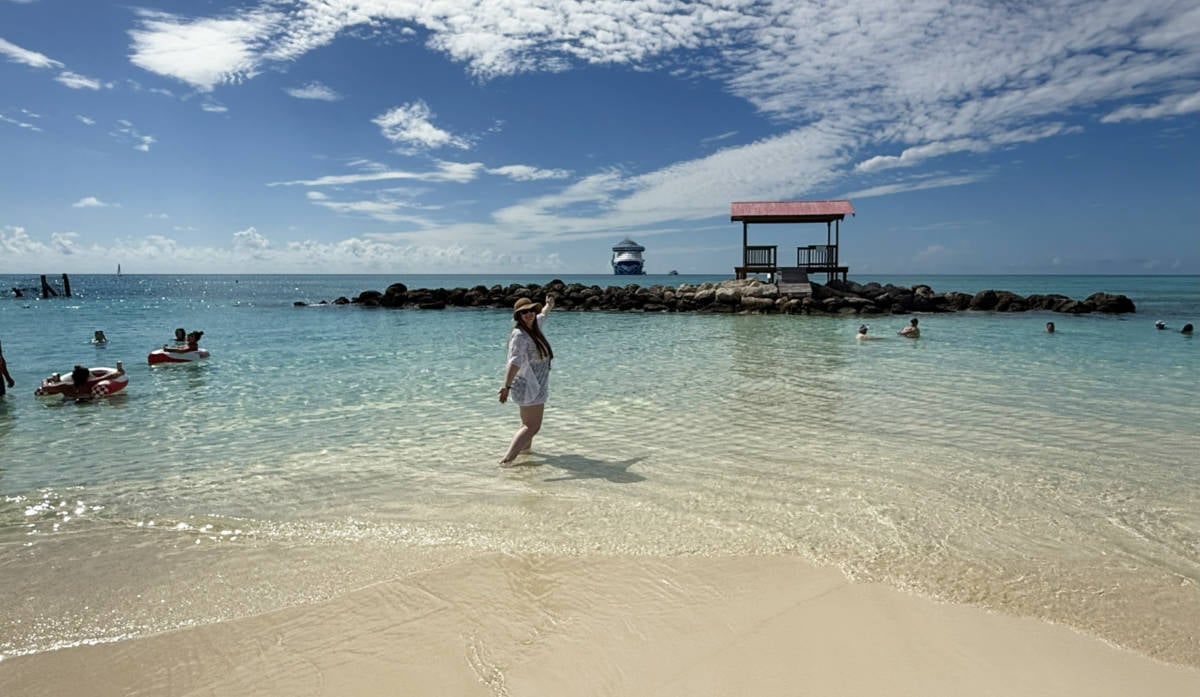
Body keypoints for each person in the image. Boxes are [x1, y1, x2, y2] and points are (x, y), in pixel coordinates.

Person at [498, 294, 555, 466]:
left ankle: (525, 455)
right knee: (532, 426)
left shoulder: (534, 326)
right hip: (529, 385)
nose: (529, 314)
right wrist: (506, 386)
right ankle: (507, 461)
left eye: (531, 311)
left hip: (537, 384)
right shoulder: (520, 335)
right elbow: (514, 362)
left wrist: (549, 305)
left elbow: (542, 315)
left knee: (527, 425)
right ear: (519, 317)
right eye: (524, 313)